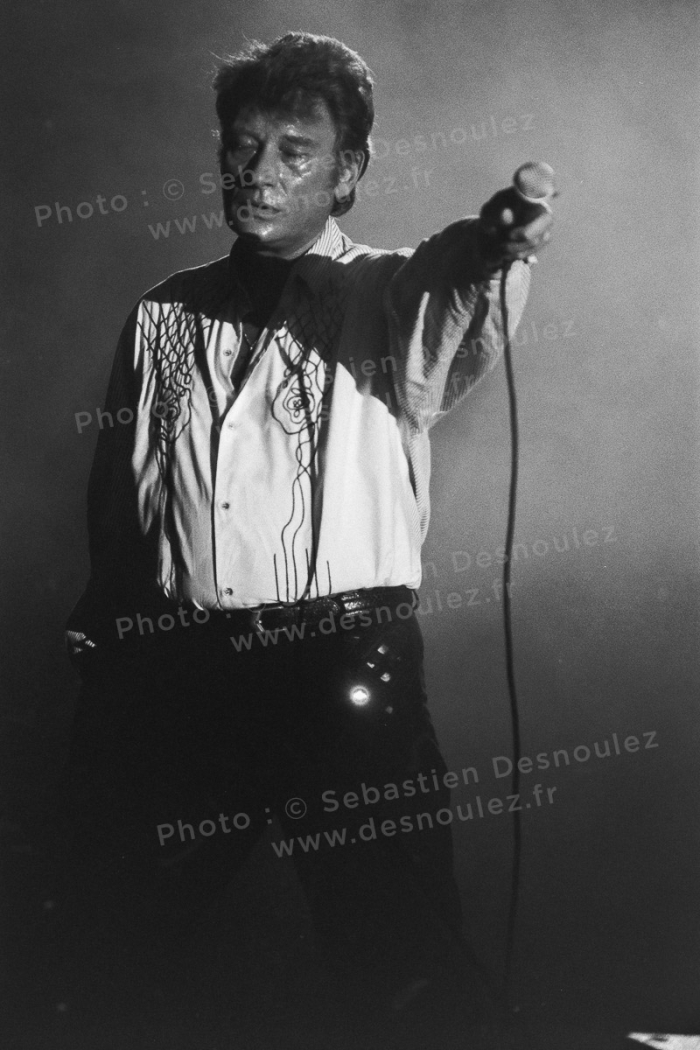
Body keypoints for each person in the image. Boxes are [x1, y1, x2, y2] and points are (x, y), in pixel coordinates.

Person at [59, 30, 553, 1050]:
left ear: (347, 173)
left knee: (400, 954)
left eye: (293, 149)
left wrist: (495, 242)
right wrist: (105, 625)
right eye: (243, 145)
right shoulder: (163, 314)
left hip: (340, 664)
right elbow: (127, 496)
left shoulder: (385, 291)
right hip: (178, 664)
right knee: (108, 938)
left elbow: (447, 296)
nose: (256, 170)